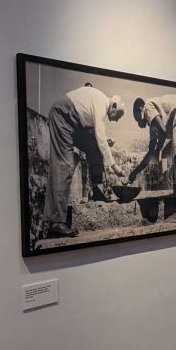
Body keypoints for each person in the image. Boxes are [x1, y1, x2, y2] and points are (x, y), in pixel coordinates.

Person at [43, 86, 126, 238]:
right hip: (63, 116)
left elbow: (97, 138)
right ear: (113, 106)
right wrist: (114, 166)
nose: (117, 119)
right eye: (118, 115)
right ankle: (55, 222)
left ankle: (97, 191)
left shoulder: (99, 103)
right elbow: (100, 136)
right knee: (64, 166)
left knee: (94, 147)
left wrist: (103, 143)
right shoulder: (101, 105)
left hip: (74, 121)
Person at [127, 95, 176, 217]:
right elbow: (150, 153)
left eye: (137, 119)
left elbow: (163, 131)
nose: (138, 124)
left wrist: (158, 149)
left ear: (140, 109)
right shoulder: (151, 123)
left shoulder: (148, 108)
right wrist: (135, 172)